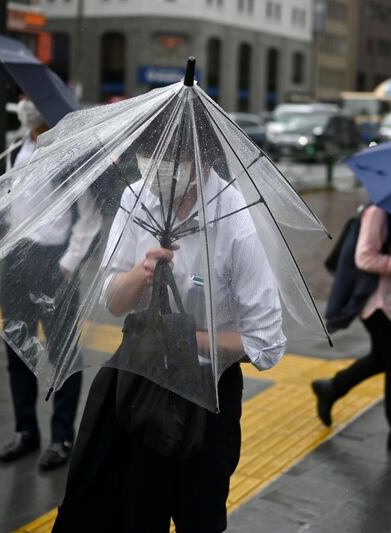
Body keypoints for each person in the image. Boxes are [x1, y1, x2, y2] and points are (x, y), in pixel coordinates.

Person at [52, 125, 285, 532]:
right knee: (136, 510)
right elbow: (112, 299)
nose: (156, 167)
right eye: (150, 154)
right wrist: (140, 273)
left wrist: (183, 339)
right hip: (141, 379)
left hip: (206, 395)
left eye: (170, 159)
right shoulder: (136, 197)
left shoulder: (237, 221)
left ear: (202, 159)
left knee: (201, 516)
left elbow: (265, 344)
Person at [0, 98, 103, 470]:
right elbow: (12, 203)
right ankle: (26, 430)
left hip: (55, 263)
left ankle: (62, 437)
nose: (24, 104)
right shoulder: (18, 147)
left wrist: (68, 266)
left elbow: (89, 218)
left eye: (31, 99)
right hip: (17, 257)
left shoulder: (68, 153)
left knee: (63, 354)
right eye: (21, 97)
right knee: (17, 345)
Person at [311, 204, 391, 457]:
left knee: (383, 359)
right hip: (374, 302)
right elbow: (364, 258)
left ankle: (332, 388)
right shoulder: (377, 212)